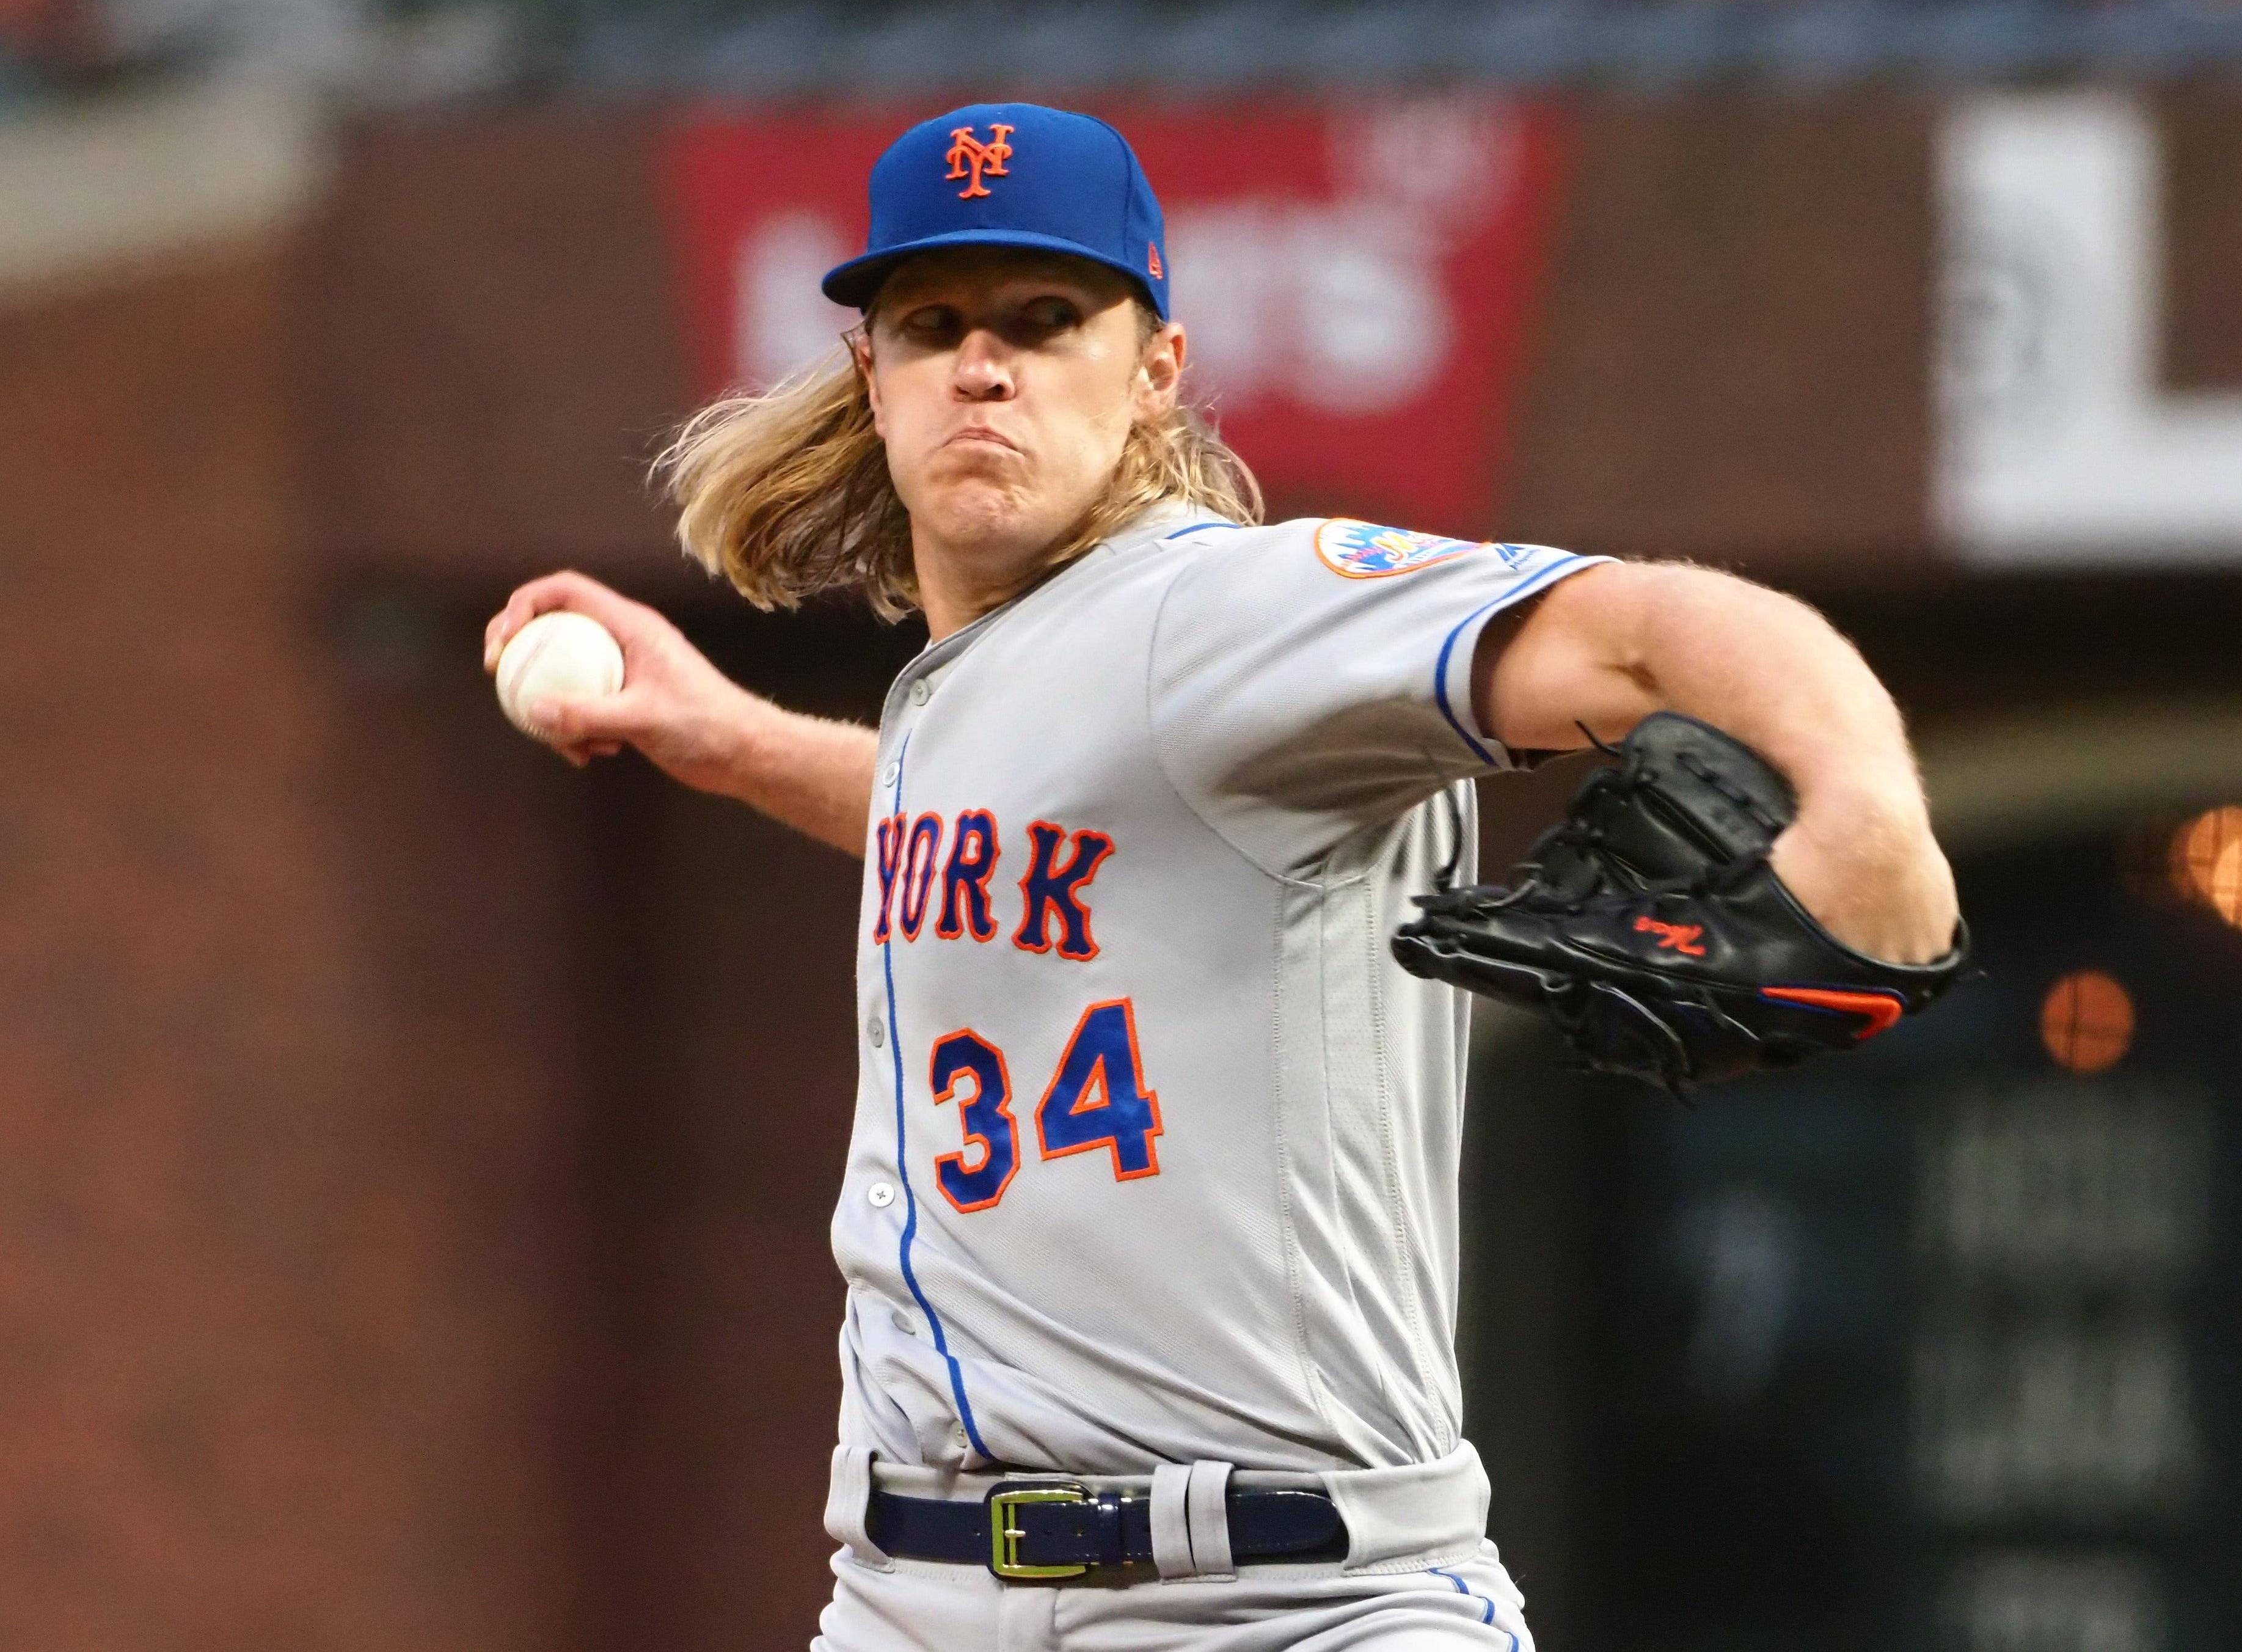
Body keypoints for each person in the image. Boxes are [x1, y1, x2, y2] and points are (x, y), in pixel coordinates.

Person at [484, 102, 1959, 1650]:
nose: (985, 363)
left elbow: (1646, 624)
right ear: (874, 375)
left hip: (1286, 1598)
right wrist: (724, 740)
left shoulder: (1229, 616)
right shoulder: (980, 689)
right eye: (933, 324)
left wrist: (1863, 806)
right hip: (909, 1599)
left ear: (1156, 373)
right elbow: (1008, 836)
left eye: (1049, 320)